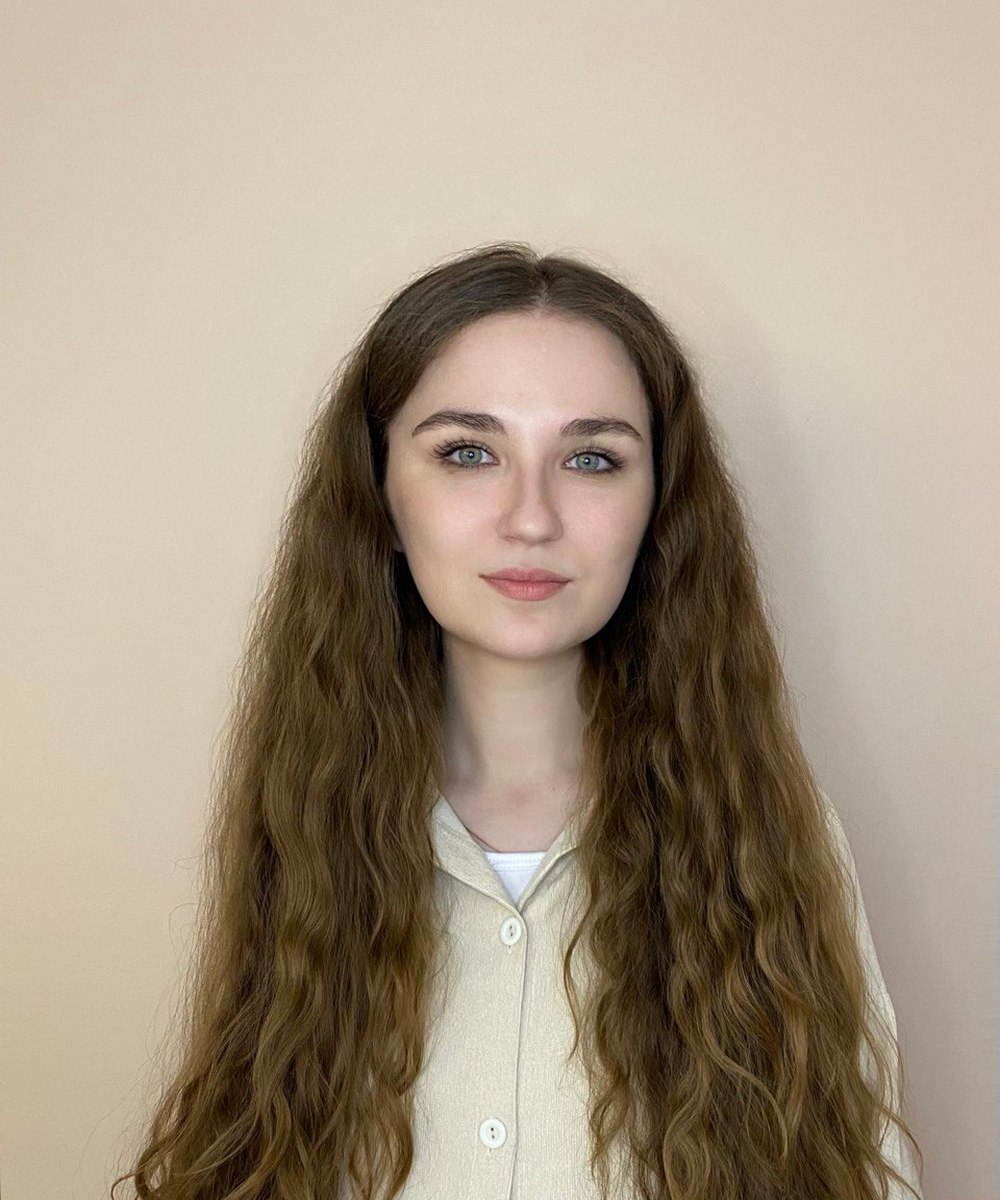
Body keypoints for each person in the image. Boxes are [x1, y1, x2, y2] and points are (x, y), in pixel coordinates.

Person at [112, 242, 924, 1199]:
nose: (531, 517)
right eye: (468, 452)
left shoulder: (773, 835)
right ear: (380, 494)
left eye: (591, 458)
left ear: (658, 506)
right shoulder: (306, 823)